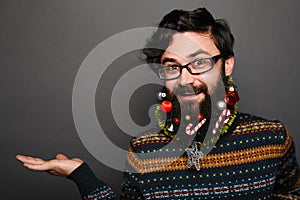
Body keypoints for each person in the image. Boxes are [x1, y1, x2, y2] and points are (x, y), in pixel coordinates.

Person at [16, 7, 300, 199]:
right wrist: (83, 176)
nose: (185, 79)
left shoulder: (272, 138)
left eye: (199, 63)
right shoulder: (143, 151)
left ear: (226, 65)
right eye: (172, 66)